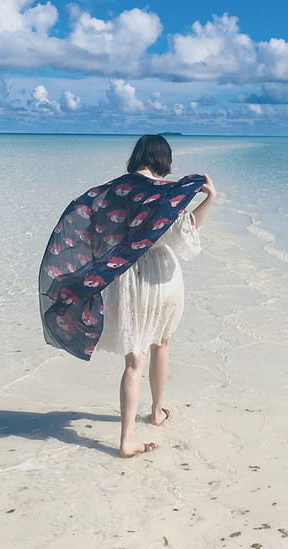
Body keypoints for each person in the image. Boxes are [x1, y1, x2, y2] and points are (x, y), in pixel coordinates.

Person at [98, 135, 216, 457]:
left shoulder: (117, 192)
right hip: (161, 276)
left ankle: (127, 438)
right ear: (164, 160)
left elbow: (98, 231)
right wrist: (209, 198)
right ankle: (157, 411)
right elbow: (185, 234)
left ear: (137, 157)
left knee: (133, 360)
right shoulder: (165, 193)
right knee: (160, 343)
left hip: (126, 277)